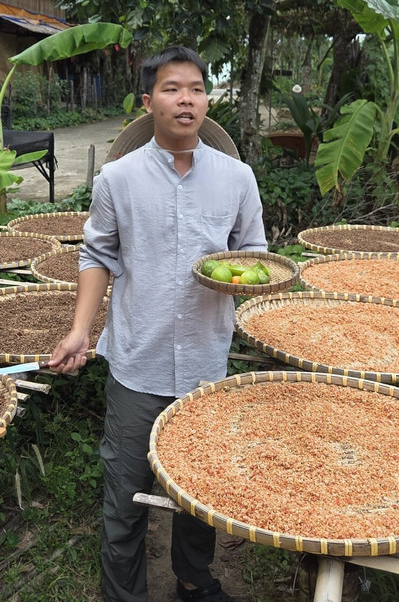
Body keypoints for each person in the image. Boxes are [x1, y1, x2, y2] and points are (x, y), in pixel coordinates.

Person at [48, 46, 266, 602]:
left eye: (195, 88)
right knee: (125, 490)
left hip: (204, 360)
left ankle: (194, 579)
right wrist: (80, 330)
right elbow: (97, 256)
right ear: (149, 102)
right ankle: (123, 593)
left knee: (199, 482)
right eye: (171, 89)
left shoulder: (237, 178)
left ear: (207, 100)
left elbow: (255, 253)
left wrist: (241, 279)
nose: (185, 99)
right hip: (135, 361)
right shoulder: (117, 178)